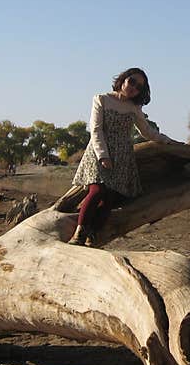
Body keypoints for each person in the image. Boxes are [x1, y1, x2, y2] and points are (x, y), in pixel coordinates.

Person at [69, 67, 176, 246]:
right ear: (123, 80)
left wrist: (168, 141)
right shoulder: (101, 99)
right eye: (132, 81)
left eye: (139, 87)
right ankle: (78, 233)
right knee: (96, 191)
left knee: (110, 198)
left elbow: (147, 132)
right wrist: (103, 156)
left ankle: (92, 236)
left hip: (123, 156)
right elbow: (96, 130)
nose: (134, 87)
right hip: (98, 152)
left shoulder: (134, 108)